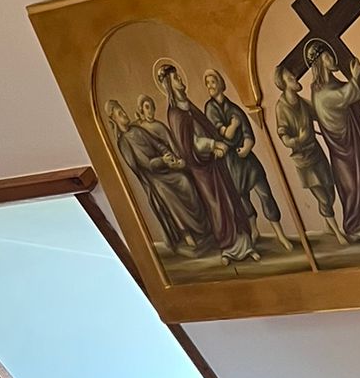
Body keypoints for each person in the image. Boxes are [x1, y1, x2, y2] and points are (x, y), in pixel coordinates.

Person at [154, 60, 259, 264]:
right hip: (201, 168)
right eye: (175, 78)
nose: (180, 80)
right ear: (168, 85)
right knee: (217, 207)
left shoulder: (188, 105)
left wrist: (217, 145)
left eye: (179, 76)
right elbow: (189, 144)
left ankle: (246, 246)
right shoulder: (175, 113)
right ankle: (228, 249)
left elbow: (206, 128)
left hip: (214, 162)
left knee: (231, 200)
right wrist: (213, 145)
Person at [304, 41, 360, 241]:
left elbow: (348, 97)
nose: (331, 59)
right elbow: (341, 97)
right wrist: (355, 79)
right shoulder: (320, 93)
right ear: (319, 63)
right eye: (326, 57)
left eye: (330, 55)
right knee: (356, 188)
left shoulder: (335, 84)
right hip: (345, 152)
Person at [106, 97, 207, 254]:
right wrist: (162, 161)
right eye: (120, 114)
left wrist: (169, 156)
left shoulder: (137, 130)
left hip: (165, 169)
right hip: (153, 179)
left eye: (123, 111)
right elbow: (144, 164)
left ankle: (201, 229)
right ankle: (186, 233)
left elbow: (157, 144)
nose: (124, 114)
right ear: (114, 119)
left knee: (185, 180)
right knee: (166, 194)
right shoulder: (124, 142)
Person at [202, 69, 288, 244]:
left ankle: (280, 234)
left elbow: (248, 133)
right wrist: (233, 125)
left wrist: (247, 145)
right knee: (242, 198)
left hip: (246, 159)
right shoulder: (210, 109)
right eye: (207, 83)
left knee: (265, 193)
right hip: (231, 162)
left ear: (220, 84)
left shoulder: (234, 108)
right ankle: (254, 230)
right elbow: (225, 133)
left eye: (213, 82)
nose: (210, 86)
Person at [274, 66, 339, 237]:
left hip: (316, 153)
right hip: (303, 160)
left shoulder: (302, 103)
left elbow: (319, 114)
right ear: (283, 84)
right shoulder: (281, 108)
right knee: (323, 198)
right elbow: (284, 136)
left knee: (330, 193)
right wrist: (298, 140)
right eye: (290, 78)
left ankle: (327, 226)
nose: (295, 79)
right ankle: (338, 234)